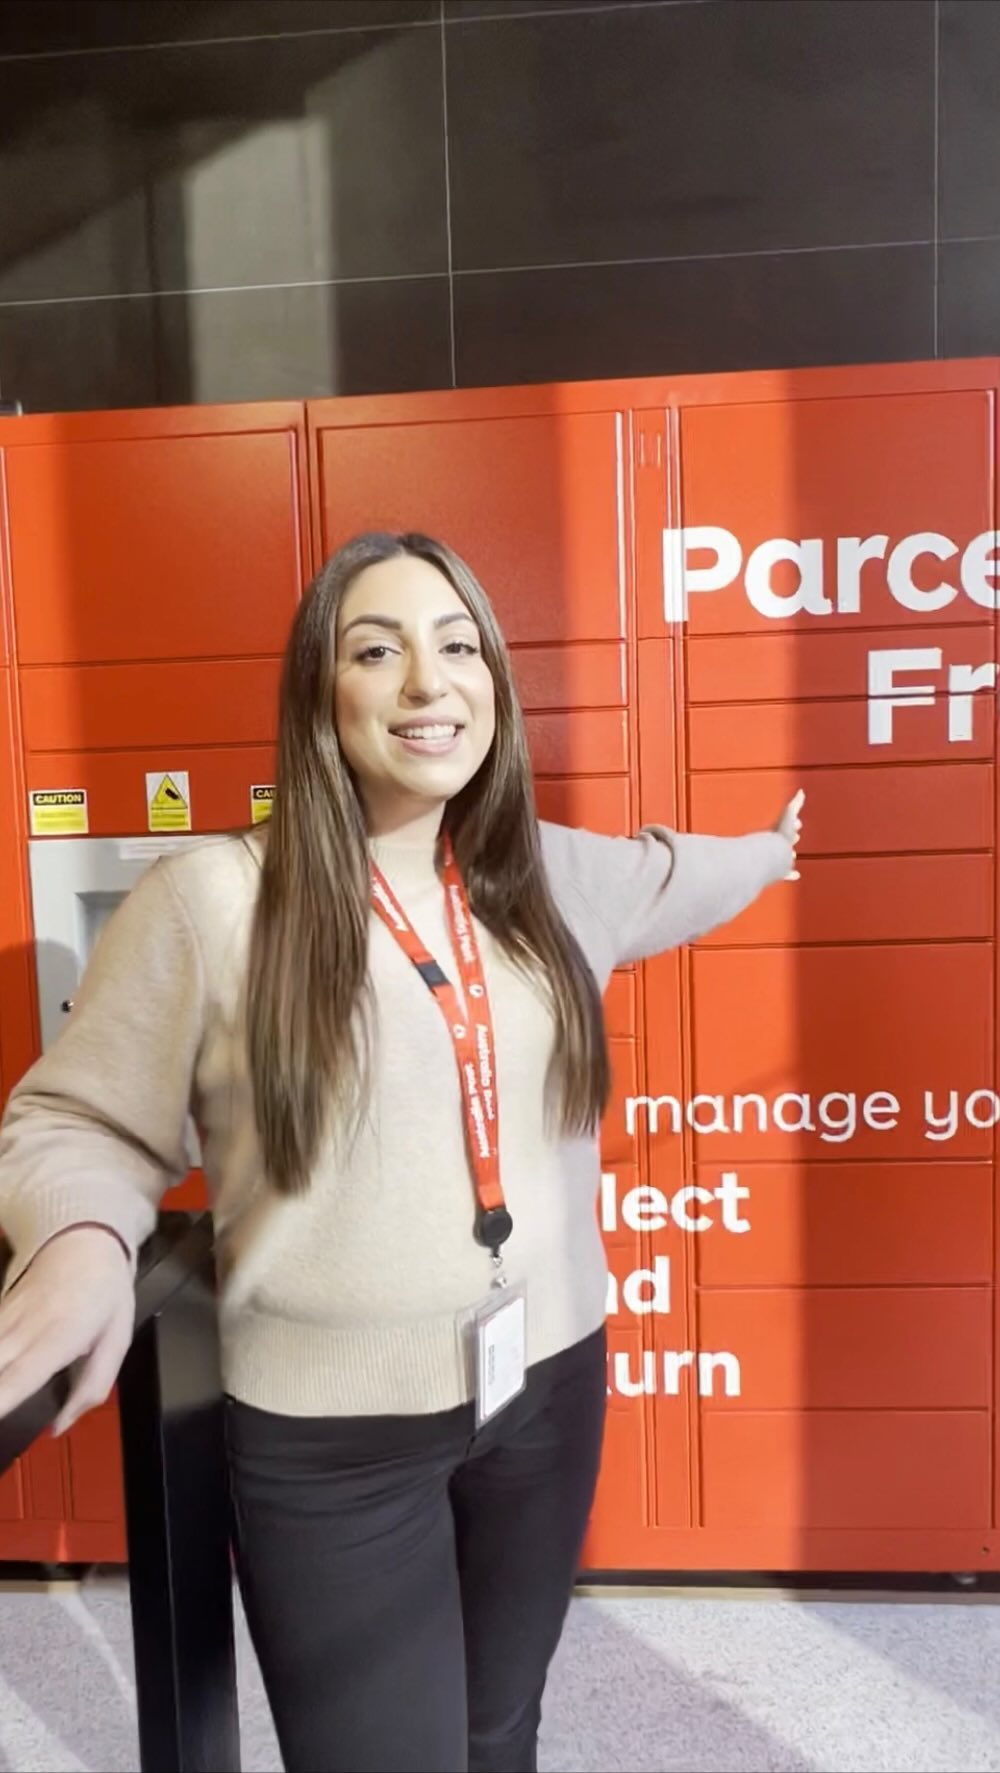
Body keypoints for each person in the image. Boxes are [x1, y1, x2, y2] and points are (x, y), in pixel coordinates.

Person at [0, 532, 803, 1773]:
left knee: (499, 1728)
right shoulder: (211, 901)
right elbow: (78, 1118)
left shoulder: (547, 877)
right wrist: (81, 1239)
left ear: (494, 685)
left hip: (544, 1382)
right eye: (377, 651)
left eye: (457, 645)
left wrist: (771, 852)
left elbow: (678, 874)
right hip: (331, 1436)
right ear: (320, 693)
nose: (430, 681)